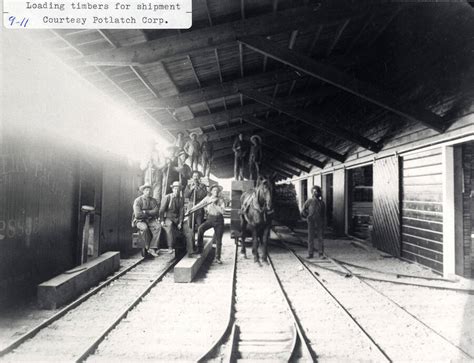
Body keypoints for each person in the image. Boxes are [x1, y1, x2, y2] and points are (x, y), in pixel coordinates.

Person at [193, 184, 226, 263]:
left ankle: (217, 258)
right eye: (214, 190)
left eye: (217, 190)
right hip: (210, 219)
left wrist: (214, 204)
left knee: (218, 239)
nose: (216, 192)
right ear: (211, 191)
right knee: (200, 229)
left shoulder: (221, 200)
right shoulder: (207, 198)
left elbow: (222, 211)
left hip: (219, 220)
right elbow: (199, 205)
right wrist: (191, 210)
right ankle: (199, 249)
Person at [132, 184, 160, 258]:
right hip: (139, 221)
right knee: (144, 228)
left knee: (158, 227)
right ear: (143, 191)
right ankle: (147, 246)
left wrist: (145, 212)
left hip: (150, 220)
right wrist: (150, 213)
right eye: (146, 190)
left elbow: (156, 211)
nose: (148, 192)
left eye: (149, 190)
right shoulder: (138, 200)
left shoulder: (153, 200)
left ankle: (153, 248)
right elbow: (138, 214)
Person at [301, 185, 326, 259]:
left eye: (316, 191)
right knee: (310, 238)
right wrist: (307, 217)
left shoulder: (322, 203)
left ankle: (321, 254)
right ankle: (310, 253)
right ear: (312, 192)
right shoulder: (309, 201)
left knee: (320, 238)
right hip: (311, 222)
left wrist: (324, 223)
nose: (315, 193)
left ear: (319, 192)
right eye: (314, 191)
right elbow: (303, 210)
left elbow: (324, 214)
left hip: (319, 222)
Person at [159, 181, 184, 254]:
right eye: (175, 188)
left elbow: (181, 211)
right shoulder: (167, 197)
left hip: (176, 219)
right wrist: (162, 220)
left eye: (178, 189)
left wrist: (180, 222)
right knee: (169, 227)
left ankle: (180, 247)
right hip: (168, 217)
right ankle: (170, 247)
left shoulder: (181, 199)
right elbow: (161, 210)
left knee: (182, 230)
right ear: (172, 189)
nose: (176, 190)